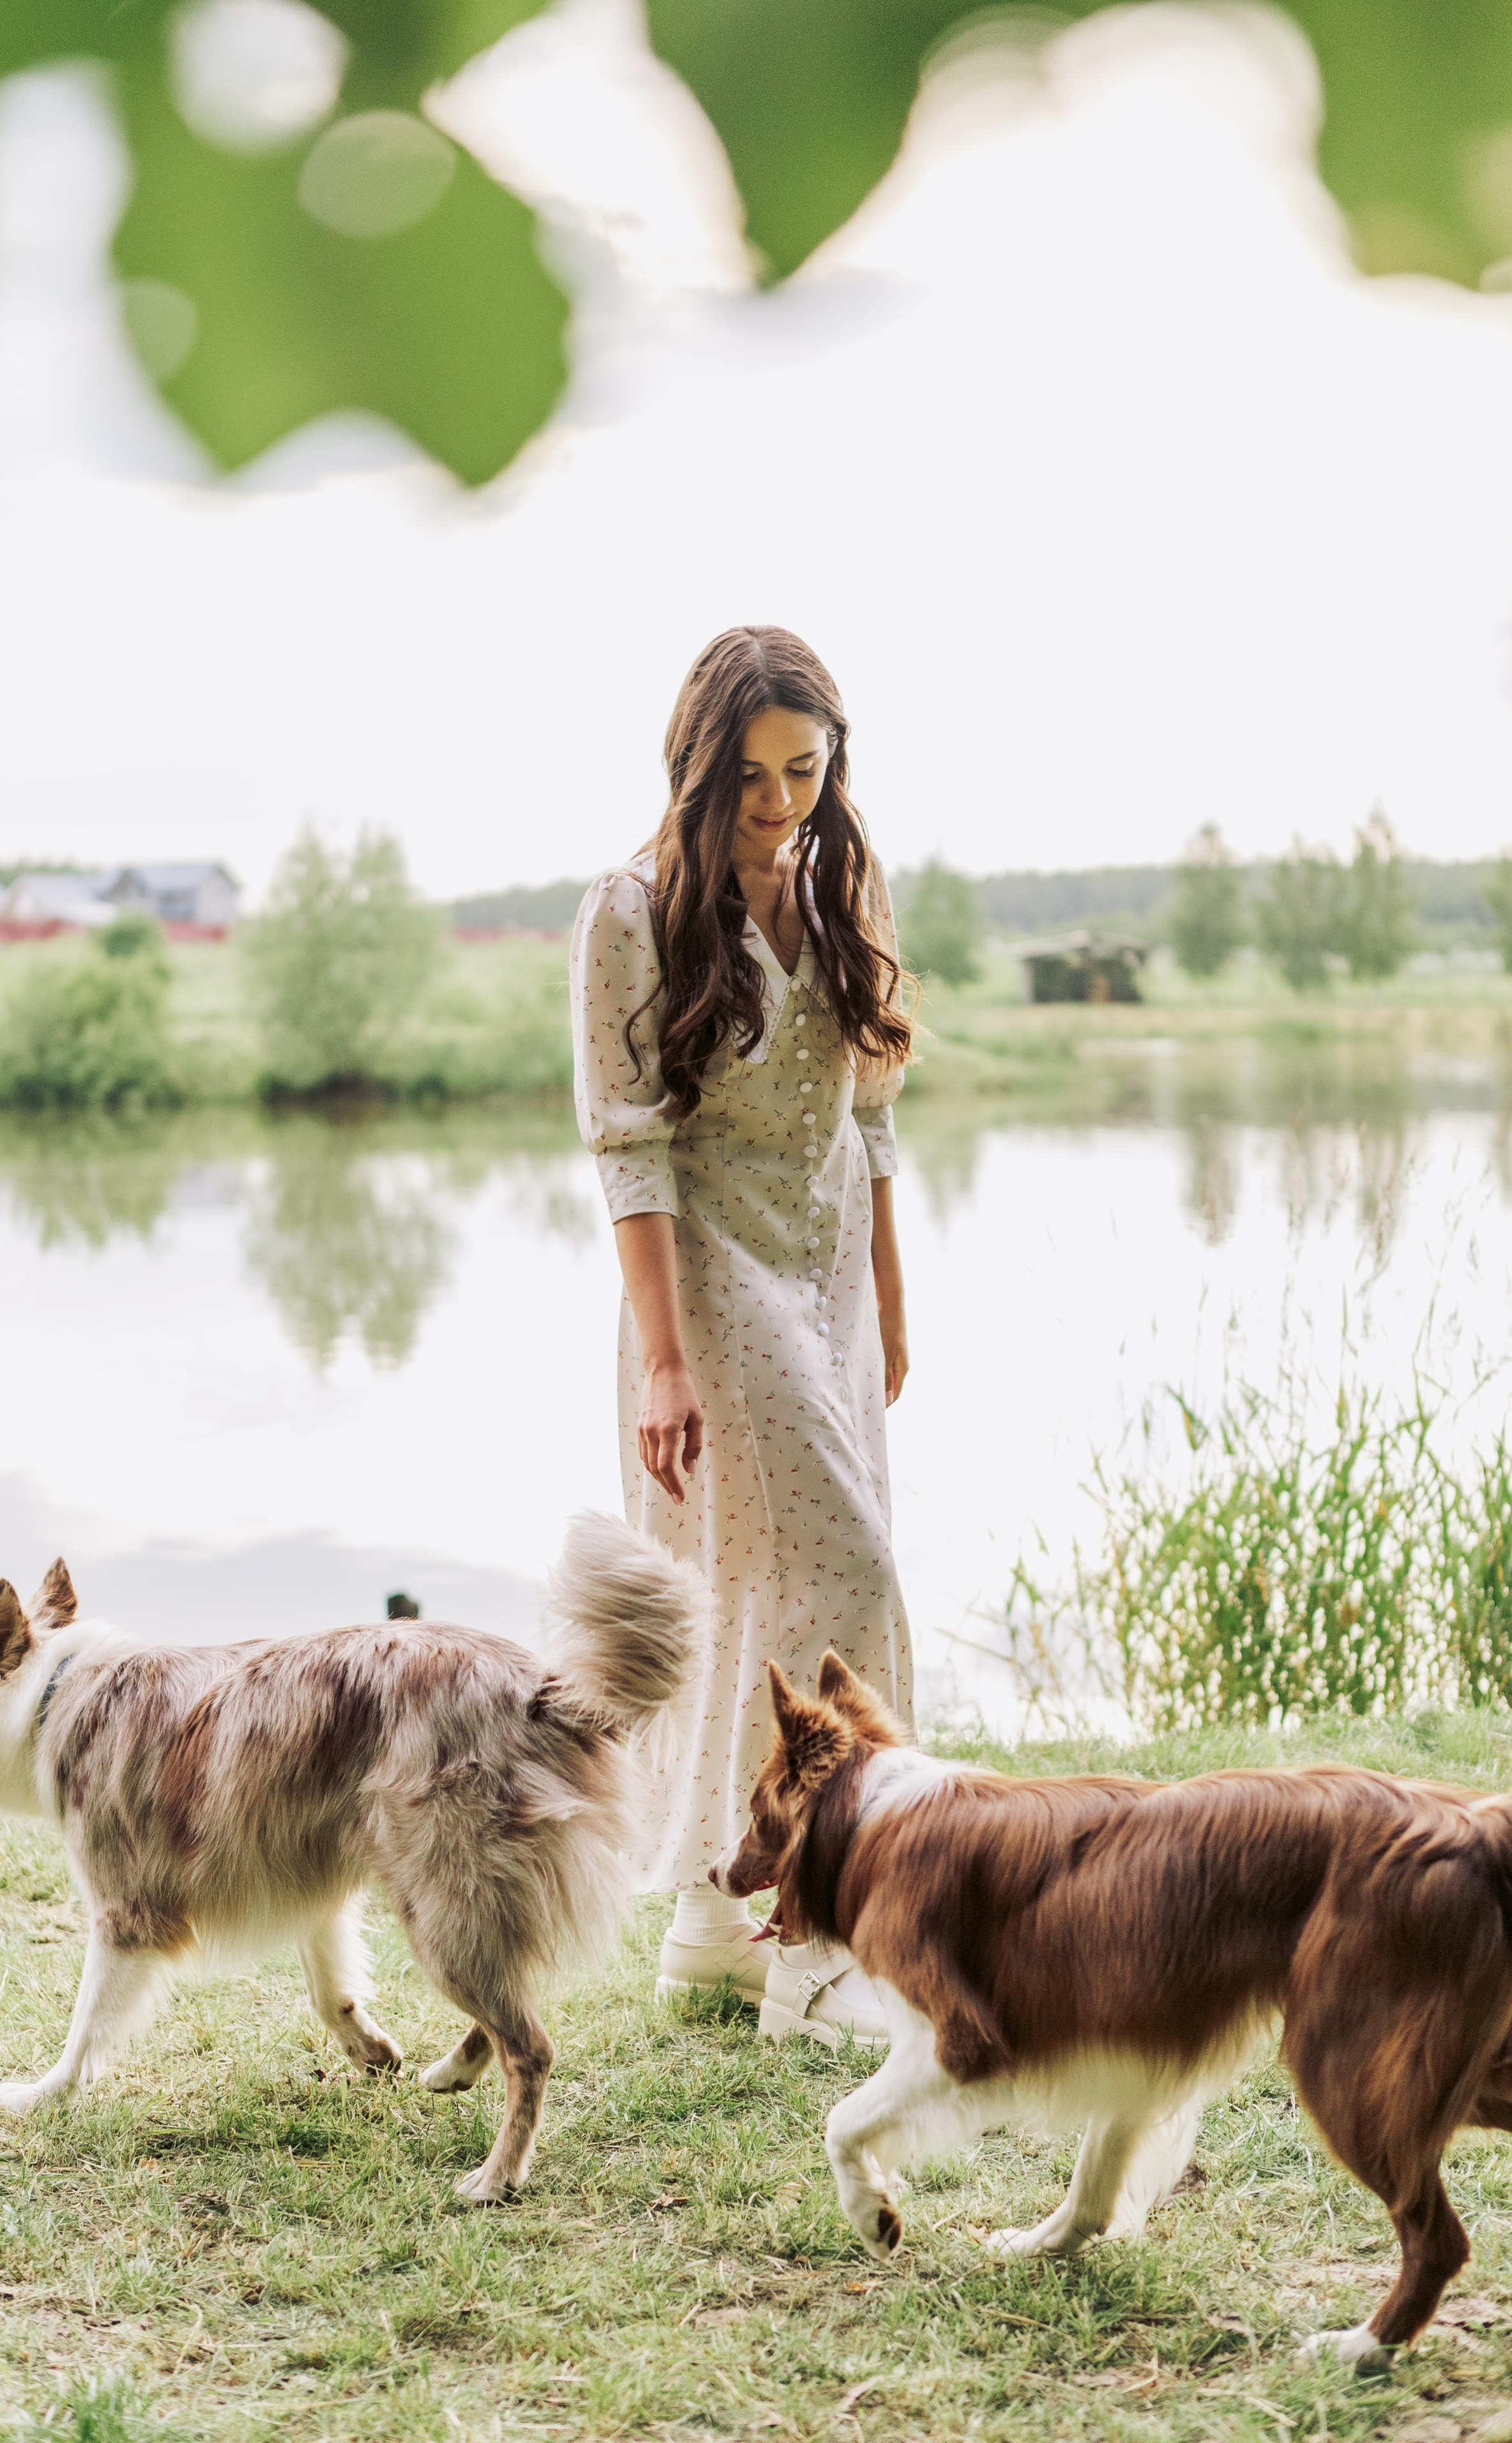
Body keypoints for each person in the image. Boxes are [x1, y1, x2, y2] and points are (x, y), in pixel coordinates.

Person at [569, 625, 914, 2045]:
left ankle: (722, 1917)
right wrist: (660, 1358)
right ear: (699, 770)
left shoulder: (842, 883)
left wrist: (889, 1289)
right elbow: (626, 1149)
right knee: (839, 1571)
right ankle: (826, 1931)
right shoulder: (630, 911)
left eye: (805, 770)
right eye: (753, 777)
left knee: (756, 1590)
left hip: (827, 1263)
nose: (779, 803)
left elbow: (874, 1115)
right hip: (706, 1278)